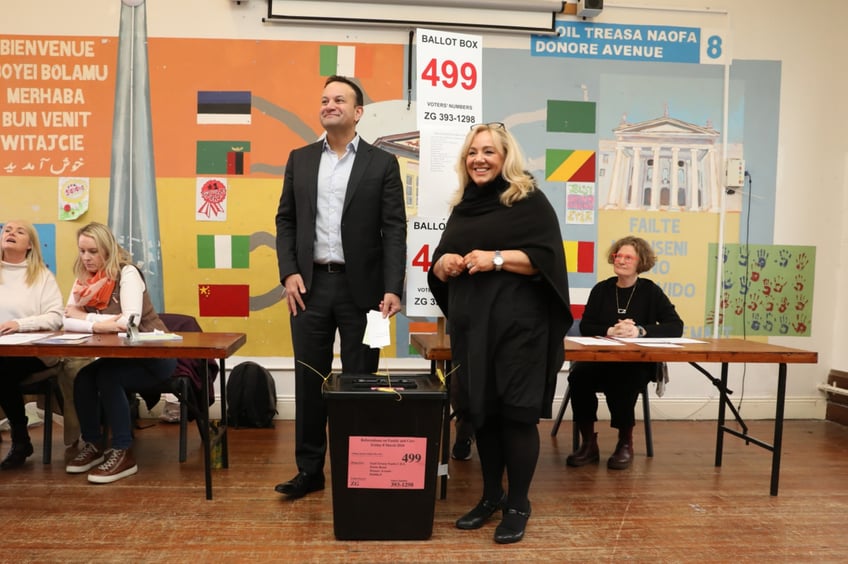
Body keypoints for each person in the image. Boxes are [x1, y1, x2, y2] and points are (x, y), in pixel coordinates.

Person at [428, 123, 572, 544]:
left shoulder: (528, 200)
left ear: (506, 156)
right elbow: (438, 261)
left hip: (519, 332)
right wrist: (445, 265)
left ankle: (518, 503)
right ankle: (491, 496)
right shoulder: (463, 207)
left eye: (489, 151)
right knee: (482, 413)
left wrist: (495, 259)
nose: (479, 159)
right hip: (474, 330)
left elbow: (546, 262)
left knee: (517, 415)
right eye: (473, 152)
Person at [274, 75, 407, 499]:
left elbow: (394, 229)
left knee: (360, 382)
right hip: (309, 289)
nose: (329, 105)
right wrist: (288, 271)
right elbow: (286, 221)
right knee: (309, 380)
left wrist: (393, 287)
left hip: (365, 293)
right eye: (325, 99)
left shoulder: (382, 164)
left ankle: (358, 471)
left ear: (358, 112)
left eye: (339, 100)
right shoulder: (300, 159)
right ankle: (310, 472)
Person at [63, 222, 177, 484]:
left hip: (154, 357)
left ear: (109, 250)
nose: (86, 258)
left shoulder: (127, 274)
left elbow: (129, 322)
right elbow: (67, 319)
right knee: (83, 378)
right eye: (82, 251)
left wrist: (86, 317)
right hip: (119, 356)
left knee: (108, 378)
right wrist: (101, 323)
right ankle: (93, 444)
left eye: (93, 251)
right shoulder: (84, 279)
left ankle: (123, 451)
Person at [566, 236, 683, 470]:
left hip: (635, 363)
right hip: (600, 359)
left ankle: (625, 442)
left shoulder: (650, 291)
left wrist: (638, 330)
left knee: (624, 380)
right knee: (578, 377)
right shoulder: (601, 289)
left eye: (628, 257)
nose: (621, 260)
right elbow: (587, 326)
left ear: (641, 262)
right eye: (617, 256)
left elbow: (675, 326)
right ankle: (588, 443)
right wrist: (612, 329)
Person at [0, 220, 64, 469]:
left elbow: (56, 317)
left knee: (2, 369)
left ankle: (20, 438)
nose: (11, 232)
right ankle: (21, 439)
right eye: (7, 229)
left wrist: (19, 324)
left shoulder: (41, 276)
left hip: (34, 352)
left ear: (30, 245)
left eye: (20, 231)